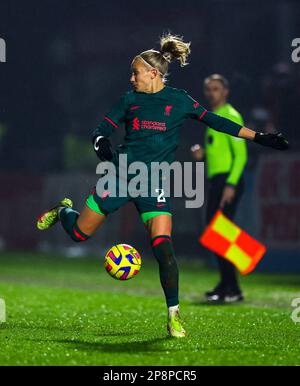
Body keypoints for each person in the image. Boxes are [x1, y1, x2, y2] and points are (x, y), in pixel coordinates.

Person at [36, 34, 289, 338]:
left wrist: (258, 136)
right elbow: (101, 128)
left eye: (135, 72)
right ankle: (64, 210)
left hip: (153, 184)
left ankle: (174, 315)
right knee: (78, 233)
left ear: (153, 73)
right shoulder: (129, 100)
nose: (131, 78)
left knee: (164, 249)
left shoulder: (179, 100)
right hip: (120, 176)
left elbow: (217, 122)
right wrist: (101, 141)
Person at [191, 74, 247, 303]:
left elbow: (241, 156)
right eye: (208, 89)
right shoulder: (213, 118)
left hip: (227, 181)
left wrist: (231, 184)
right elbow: (218, 152)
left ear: (225, 92)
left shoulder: (231, 115)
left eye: (215, 89)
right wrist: (202, 155)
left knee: (218, 232)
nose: (211, 93)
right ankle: (227, 284)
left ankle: (232, 287)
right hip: (218, 181)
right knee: (216, 232)